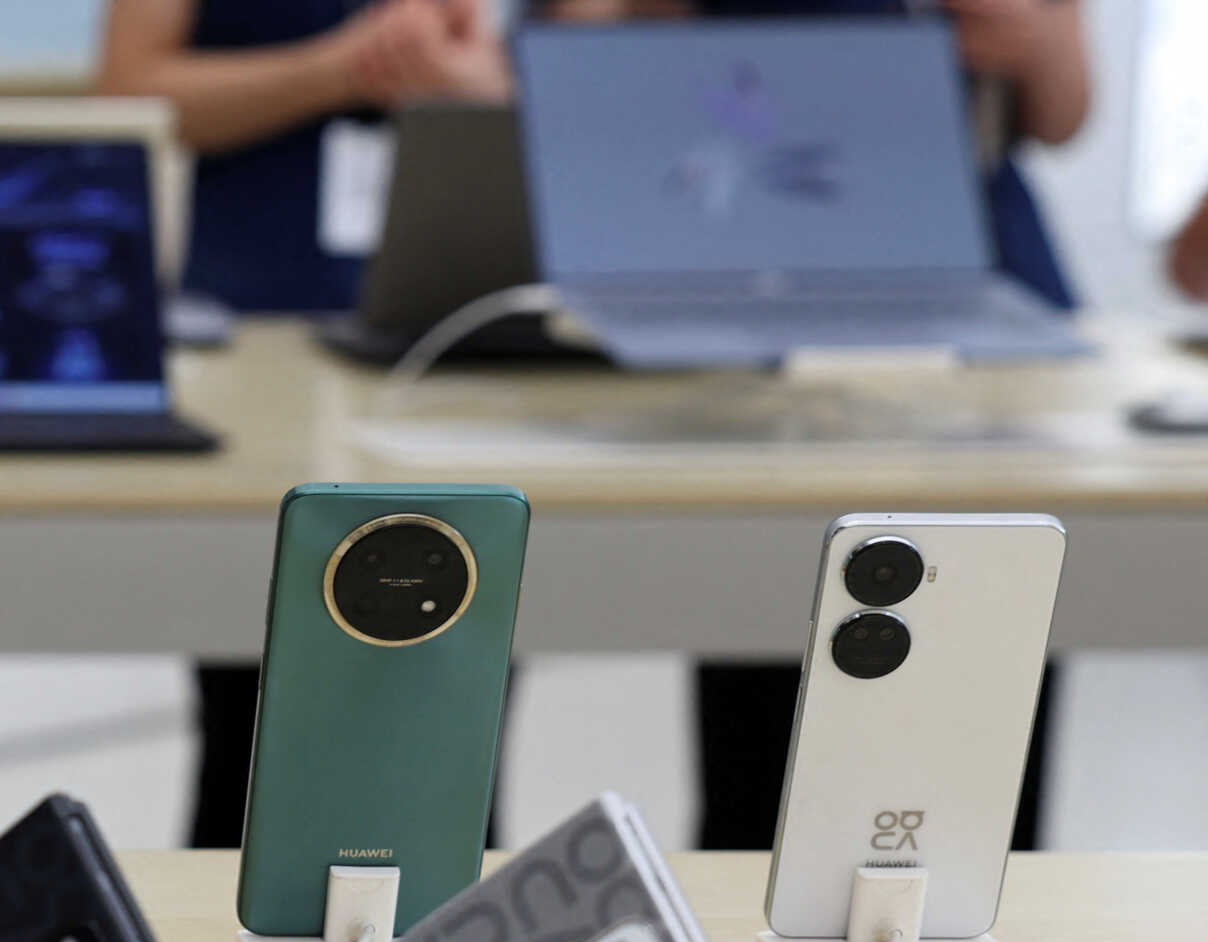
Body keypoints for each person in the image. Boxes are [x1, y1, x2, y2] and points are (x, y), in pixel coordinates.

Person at [543, 0, 1087, 849]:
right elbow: (574, 40)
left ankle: (970, 927)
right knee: (773, 702)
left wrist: (1032, 39)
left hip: (963, 283)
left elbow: (1063, 103)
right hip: (750, 261)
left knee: (985, 688)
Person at [100, 0, 509, 845]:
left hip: (450, 344)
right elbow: (126, 92)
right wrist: (339, 68)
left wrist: (471, 86)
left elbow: (541, 81)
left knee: (459, 714)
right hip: (256, 355)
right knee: (257, 720)